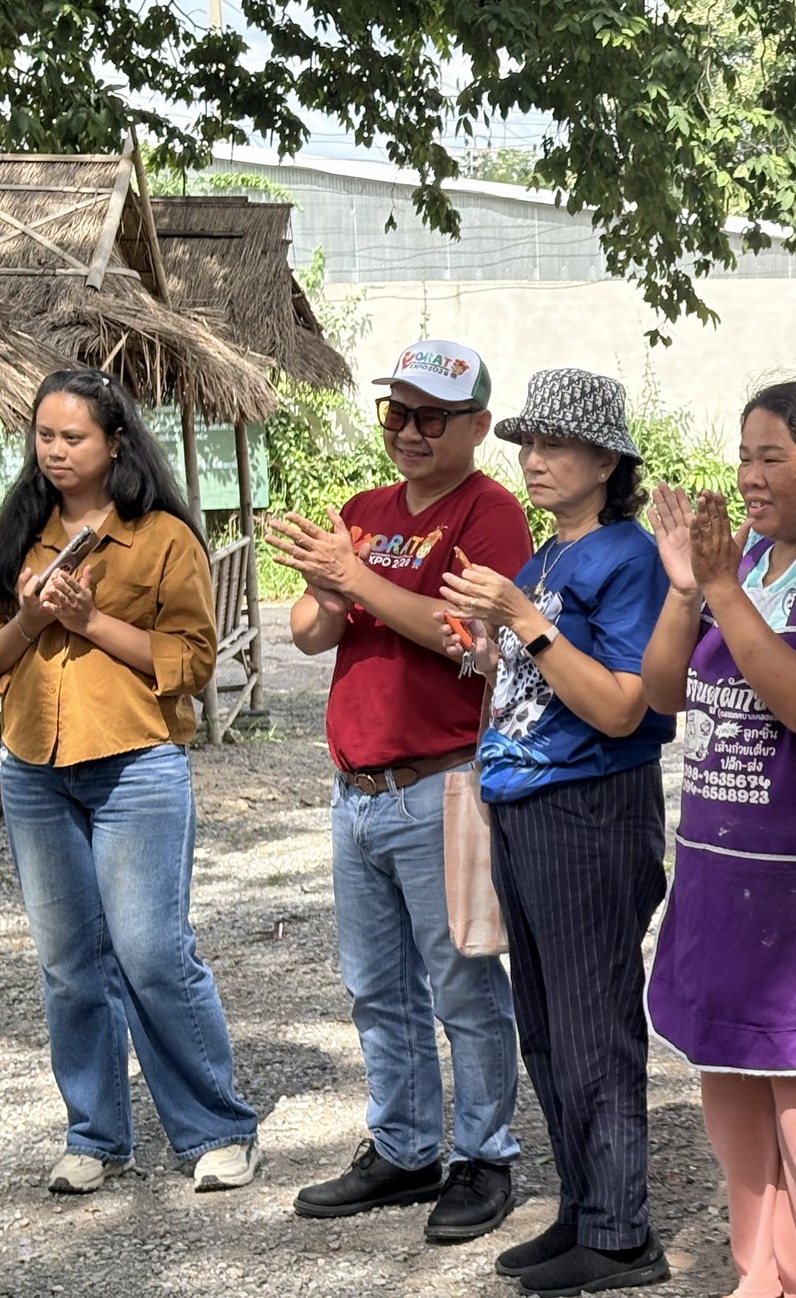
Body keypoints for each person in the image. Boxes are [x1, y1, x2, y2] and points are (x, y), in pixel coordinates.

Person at [0, 369, 260, 1195]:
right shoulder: (16, 533)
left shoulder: (162, 537)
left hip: (136, 766)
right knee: (68, 964)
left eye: (74, 437)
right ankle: (96, 1136)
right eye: (44, 436)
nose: (55, 451)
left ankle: (219, 1131)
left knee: (153, 953)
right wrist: (32, 616)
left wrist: (88, 620)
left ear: (116, 442)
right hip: (33, 770)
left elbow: (192, 660)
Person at [264, 340, 530, 1243]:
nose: (409, 432)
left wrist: (356, 578)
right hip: (357, 786)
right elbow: (311, 634)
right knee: (376, 986)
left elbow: (469, 637)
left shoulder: (490, 514)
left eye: (431, 417)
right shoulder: (364, 511)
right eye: (397, 412)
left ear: (478, 426)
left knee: (463, 983)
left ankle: (485, 1153)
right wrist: (328, 587)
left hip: (442, 780)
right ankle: (405, 1147)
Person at [639, 382, 796, 1298]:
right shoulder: (734, 560)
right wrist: (685, 590)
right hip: (718, 878)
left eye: (772, 458)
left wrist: (722, 591)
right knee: (733, 1096)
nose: (749, 477)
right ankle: (760, 1273)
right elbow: (663, 693)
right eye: (744, 456)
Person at [438, 367, 675, 1297]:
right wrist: (487, 650)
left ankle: (620, 1233)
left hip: (590, 806)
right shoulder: (544, 557)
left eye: (556, 445)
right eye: (528, 444)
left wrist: (524, 624)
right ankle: (584, 1207)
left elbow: (620, 707)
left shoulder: (627, 557)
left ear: (606, 461)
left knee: (593, 1023)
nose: (534, 460)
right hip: (527, 801)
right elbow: (542, 680)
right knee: (544, 1023)